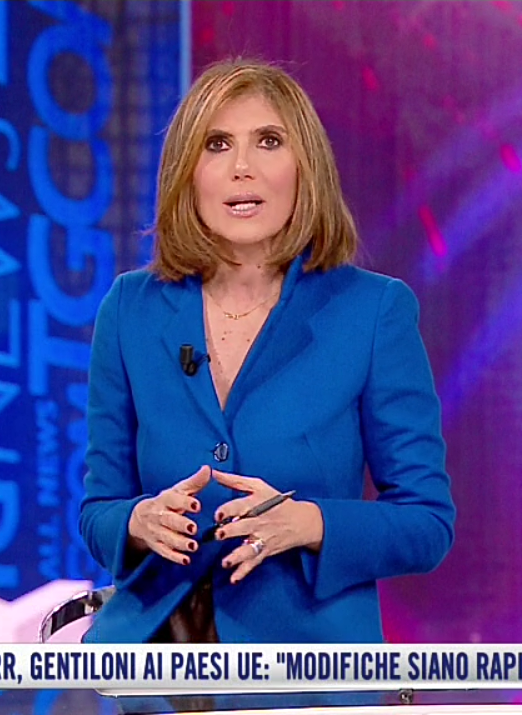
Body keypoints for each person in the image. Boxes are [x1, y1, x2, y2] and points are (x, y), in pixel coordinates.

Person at [79, 57, 455, 645]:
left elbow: (427, 523)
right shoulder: (131, 309)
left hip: (308, 666)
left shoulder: (371, 311)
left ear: (306, 167)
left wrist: (309, 524)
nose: (242, 168)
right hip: (158, 660)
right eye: (217, 145)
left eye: (269, 142)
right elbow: (98, 509)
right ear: (187, 172)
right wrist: (137, 520)